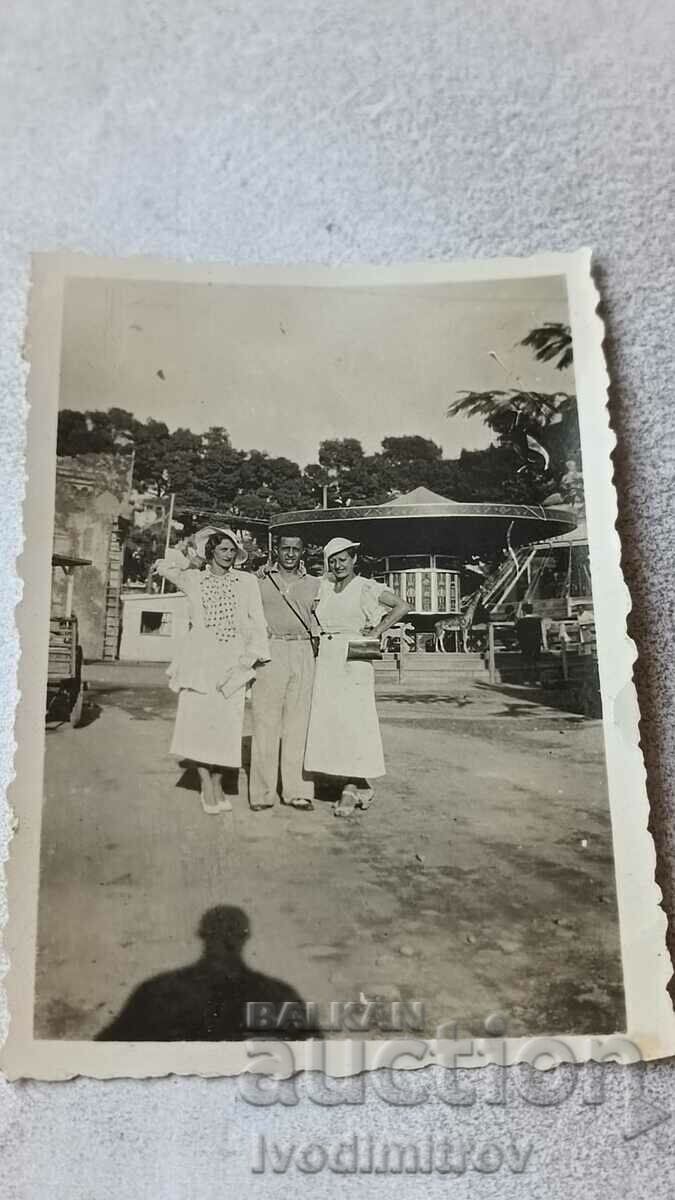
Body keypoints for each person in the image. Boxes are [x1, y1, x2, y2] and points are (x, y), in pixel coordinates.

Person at [154, 527, 270, 815]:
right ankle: (206, 783)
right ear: (211, 553)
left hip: (233, 658)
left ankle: (218, 781)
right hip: (200, 658)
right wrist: (190, 561)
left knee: (227, 725)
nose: (229, 556)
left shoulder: (246, 582)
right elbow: (164, 565)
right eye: (223, 550)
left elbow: (257, 621)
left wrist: (250, 657)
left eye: (232, 551)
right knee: (197, 721)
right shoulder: (194, 579)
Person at [304, 537, 411, 818]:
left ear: (354, 559)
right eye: (333, 560)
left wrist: (376, 631)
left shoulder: (366, 587)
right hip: (326, 655)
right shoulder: (324, 587)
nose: (338, 564)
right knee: (330, 719)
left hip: (354, 655)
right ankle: (345, 779)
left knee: (354, 720)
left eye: (343, 558)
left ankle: (351, 787)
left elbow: (401, 606)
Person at [249, 535, 319, 812]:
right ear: (275, 550)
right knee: (265, 723)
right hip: (271, 650)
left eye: (295, 549)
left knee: (299, 724)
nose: (290, 554)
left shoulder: (315, 584)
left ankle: (297, 791)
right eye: (285, 548)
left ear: (302, 552)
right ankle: (262, 793)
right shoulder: (259, 581)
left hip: (303, 650)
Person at [515, 602, 543, 682]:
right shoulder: (537, 620)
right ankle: (537, 679)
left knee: (526, 661)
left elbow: (518, 631)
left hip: (525, 643)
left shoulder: (521, 621)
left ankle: (526, 679)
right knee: (536, 661)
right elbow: (540, 632)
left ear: (523, 611)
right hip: (536, 642)